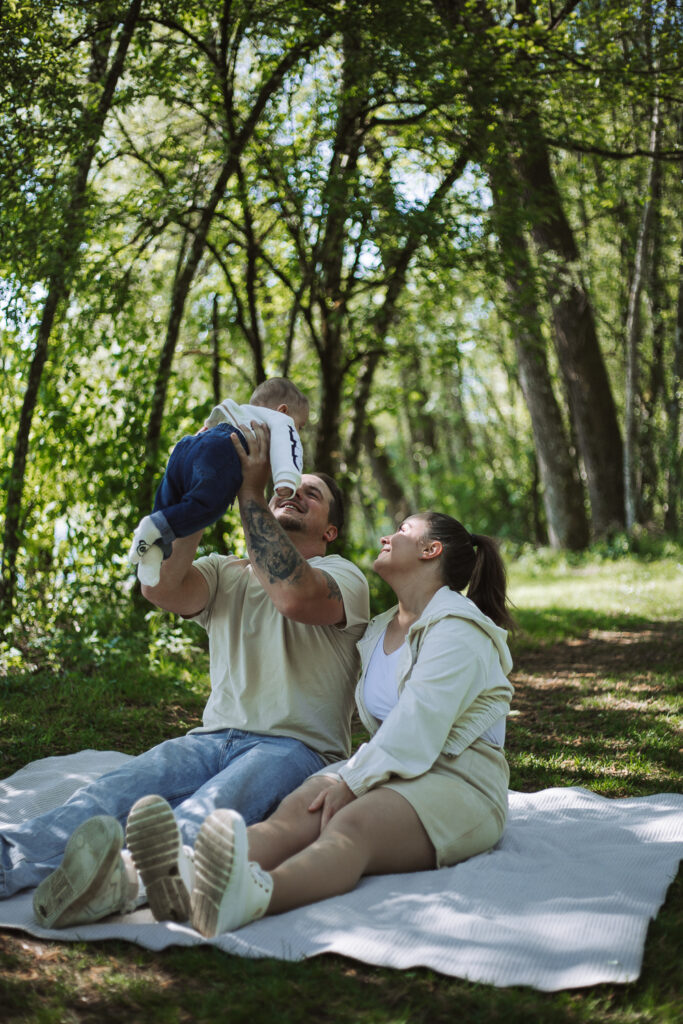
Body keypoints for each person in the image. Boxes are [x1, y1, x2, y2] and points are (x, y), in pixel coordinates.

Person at [0, 423, 369, 929]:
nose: (297, 494)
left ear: (330, 530)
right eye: (293, 486)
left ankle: (118, 884)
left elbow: (293, 596)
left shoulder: (344, 577)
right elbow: (161, 587)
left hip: (294, 748)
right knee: (107, 794)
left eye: (313, 494)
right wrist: (206, 484)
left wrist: (252, 493)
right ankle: (7, 862)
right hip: (209, 739)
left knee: (203, 812)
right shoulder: (225, 571)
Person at [131, 509, 516, 937]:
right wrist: (347, 778)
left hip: (459, 778)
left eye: (403, 529)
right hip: (395, 767)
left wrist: (353, 781)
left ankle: (253, 896)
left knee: (351, 825)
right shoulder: (379, 630)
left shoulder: (459, 629)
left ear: (431, 550)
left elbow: (418, 724)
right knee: (298, 809)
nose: (388, 536)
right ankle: (179, 881)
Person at [129, 377, 309, 586]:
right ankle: (154, 525)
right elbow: (289, 447)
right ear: (283, 411)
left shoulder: (237, 411)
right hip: (223, 449)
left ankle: (155, 550)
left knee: (171, 498)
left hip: (188, 445)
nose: (298, 432)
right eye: (301, 426)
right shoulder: (280, 420)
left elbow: (210, 426)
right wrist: (287, 480)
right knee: (209, 505)